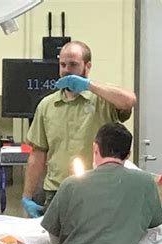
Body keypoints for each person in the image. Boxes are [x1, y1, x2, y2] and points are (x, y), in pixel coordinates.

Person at [21, 40, 136, 218]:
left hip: (98, 190)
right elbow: (38, 153)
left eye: (73, 65)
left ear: (87, 66)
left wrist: (88, 85)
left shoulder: (101, 99)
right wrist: (27, 196)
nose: (66, 70)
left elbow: (129, 100)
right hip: (58, 191)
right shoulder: (47, 105)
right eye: (62, 65)